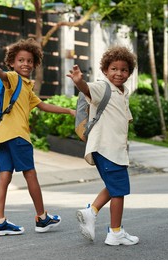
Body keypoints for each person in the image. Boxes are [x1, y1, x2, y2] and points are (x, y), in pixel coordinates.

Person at [0, 38, 76, 236]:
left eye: (30, 61)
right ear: (12, 63)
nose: (26, 64)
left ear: (35, 64)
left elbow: (43, 105)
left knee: (4, 177)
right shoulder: (13, 78)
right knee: (30, 174)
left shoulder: (26, 87)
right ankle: (42, 218)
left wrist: (68, 110)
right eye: (21, 60)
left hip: (2, 137)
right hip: (17, 136)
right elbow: (3, 75)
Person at [66, 45, 139, 246]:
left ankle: (91, 212)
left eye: (124, 69)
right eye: (113, 68)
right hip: (105, 148)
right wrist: (79, 81)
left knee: (115, 185)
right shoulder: (102, 87)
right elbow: (87, 89)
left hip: (115, 149)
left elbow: (125, 120)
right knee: (119, 191)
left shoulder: (122, 93)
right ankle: (115, 233)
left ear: (129, 73)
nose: (118, 73)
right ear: (105, 70)